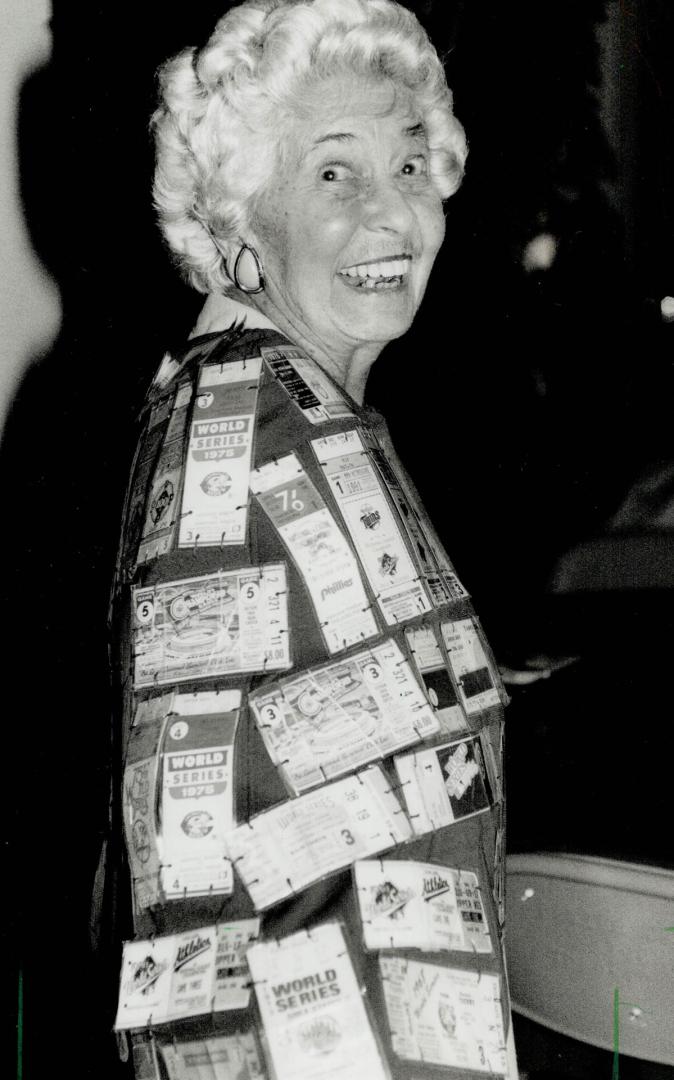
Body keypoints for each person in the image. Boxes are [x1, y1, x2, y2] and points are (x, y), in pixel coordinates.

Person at [107, 1, 518, 1076]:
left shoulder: (256, 401)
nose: (396, 216)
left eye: (413, 162)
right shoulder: (265, 430)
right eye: (336, 173)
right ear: (241, 220)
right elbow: (238, 899)